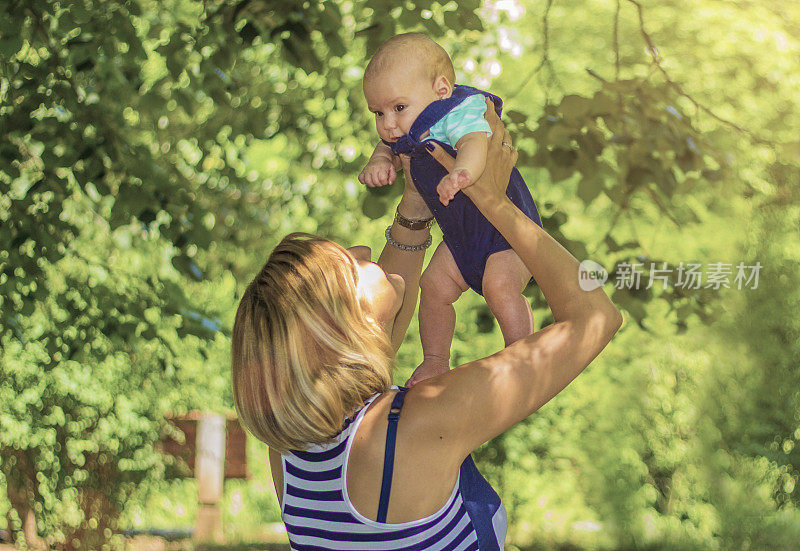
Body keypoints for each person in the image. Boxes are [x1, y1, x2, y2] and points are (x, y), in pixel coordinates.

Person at [231, 101, 622, 550]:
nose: (362, 250)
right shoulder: (416, 426)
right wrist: (495, 201)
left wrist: (416, 198)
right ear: (336, 328)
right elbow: (596, 318)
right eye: (349, 264)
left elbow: (382, 335)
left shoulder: (293, 453)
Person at [358, 33, 544, 387]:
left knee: (500, 286)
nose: (388, 124)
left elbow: (474, 141)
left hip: (505, 234)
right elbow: (386, 148)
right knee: (433, 285)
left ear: (441, 89)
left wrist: (463, 173)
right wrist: (380, 161)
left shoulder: (457, 112)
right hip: (461, 239)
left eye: (398, 108)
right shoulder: (405, 130)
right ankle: (435, 361)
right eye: (377, 113)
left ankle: (521, 354)